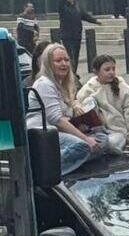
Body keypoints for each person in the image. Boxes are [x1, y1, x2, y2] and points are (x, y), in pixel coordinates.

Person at [26, 44, 106, 175]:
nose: (64, 64)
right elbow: (57, 120)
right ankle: (44, 171)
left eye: (66, 60)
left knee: (103, 140)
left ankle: (75, 163)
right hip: (42, 134)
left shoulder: (64, 84)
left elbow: (65, 118)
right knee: (82, 146)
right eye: (58, 61)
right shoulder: (44, 84)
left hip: (58, 131)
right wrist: (85, 139)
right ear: (48, 64)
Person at [77, 55, 129, 155]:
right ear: (96, 72)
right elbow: (78, 109)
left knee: (110, 145)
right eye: (107, 69)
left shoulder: (123, 89)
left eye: (113, 69)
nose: (111, 72)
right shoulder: (87, 90)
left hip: (116, 132)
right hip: (94, 132)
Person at [58, 0, 101, 74]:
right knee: (70, 55)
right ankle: (70, 74)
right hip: (67, 35)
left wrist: (95, 21)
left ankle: (74, 73)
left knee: (76, 55)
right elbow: (60, 3)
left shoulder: (77, 6)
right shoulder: (63, 6)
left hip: (77, 35)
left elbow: (84, 15)